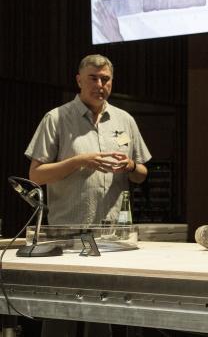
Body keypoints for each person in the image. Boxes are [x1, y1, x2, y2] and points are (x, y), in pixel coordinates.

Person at [25, 54, 152, 337]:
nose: (99, 84)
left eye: (105, 79)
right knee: (60, 314)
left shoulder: (124, 120)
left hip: (110, 236)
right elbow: (36, 175)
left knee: (103, 312)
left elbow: (141, 174)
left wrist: (130, 165)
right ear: (79, 80)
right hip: (66, 234)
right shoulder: (56, 118)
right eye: (93, 78)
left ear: (111, 82)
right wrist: (80, 160)